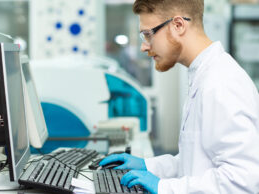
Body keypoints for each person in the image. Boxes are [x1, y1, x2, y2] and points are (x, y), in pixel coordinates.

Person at [99, 0, 259, 193]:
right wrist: (148, 166)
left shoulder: (221, 82)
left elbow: (243, 179)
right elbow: (195, 162)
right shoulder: (203, 74)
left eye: (148, 35)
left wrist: (164, 187)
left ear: (178, 25)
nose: (143, 47)